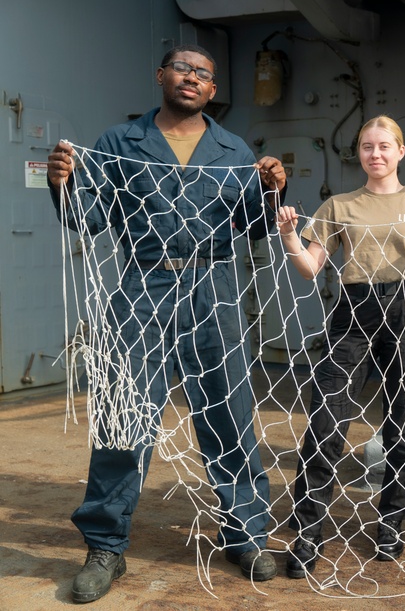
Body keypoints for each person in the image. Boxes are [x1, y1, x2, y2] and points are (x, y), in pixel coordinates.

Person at [47, 44, 286, 603]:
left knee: (230, 415)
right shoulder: (118, 143)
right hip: (142, 288)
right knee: (123, 418)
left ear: (212, 89)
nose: (192, 77)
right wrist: (62, 185)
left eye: (204, 73)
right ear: (160, 76)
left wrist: (275, 186)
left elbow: (256, 225)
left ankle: (245, 535)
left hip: (213, 290)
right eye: (182, 68)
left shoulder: (232, 150)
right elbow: (91, 218)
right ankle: (106, 546)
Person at [275, 115, 405, 577]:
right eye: (367, 147)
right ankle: (309, 530)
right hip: (354, 313)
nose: (375, 154)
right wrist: (290, 235)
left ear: (400, 152)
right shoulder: (340, 205)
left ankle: (392, 521)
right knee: (327, 421)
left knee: (402, 423)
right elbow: (312, 268)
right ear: (360, 154)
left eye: (384, 146)